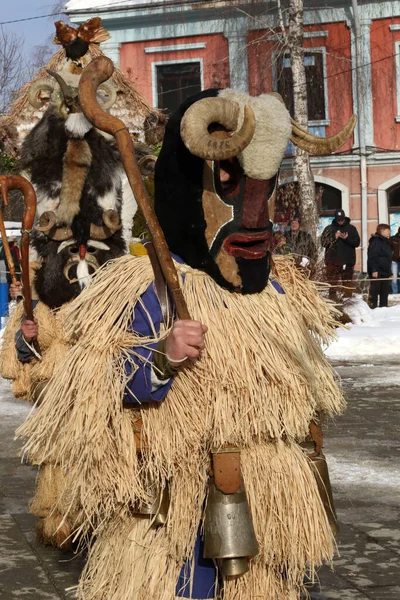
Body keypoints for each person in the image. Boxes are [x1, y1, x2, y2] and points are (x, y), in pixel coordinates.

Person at [18, 87, 348, 600]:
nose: (255, 214)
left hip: (269, 512)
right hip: (179, 521)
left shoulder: (280, 292)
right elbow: (88, 399)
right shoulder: (147, 289)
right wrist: (160, 361)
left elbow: (307, 394)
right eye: (232, 184)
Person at [321, 209, 360, 299]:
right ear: (335, 219)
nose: (340, 221)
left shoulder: (351, 229)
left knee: (347, 283)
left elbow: (357, 243)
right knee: (332, 284)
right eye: (338, 220)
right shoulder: (329, 229)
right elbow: (323, 243)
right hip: (332, 262)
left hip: (347, 262)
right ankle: (333, 300)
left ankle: (348, 301)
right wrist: (334, 237)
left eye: (342, 219)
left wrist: (347, 238)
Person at [367, 223, 392, 309]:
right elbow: (372, 256)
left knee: (384, 294)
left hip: (385, 271)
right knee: (374, 293)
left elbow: (387, 258)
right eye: (387, 230)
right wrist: (374, 270)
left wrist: (389, 272)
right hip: (377, 271)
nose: (389, 232)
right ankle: (372, 309)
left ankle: (383, 310)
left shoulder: (386, 242)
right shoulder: (376, 241)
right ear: (382, 231)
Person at [389, 226, 400, 294]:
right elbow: (388, 250)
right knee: (394, 279)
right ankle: (395, 293)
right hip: (394, 261)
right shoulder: (393, 239)